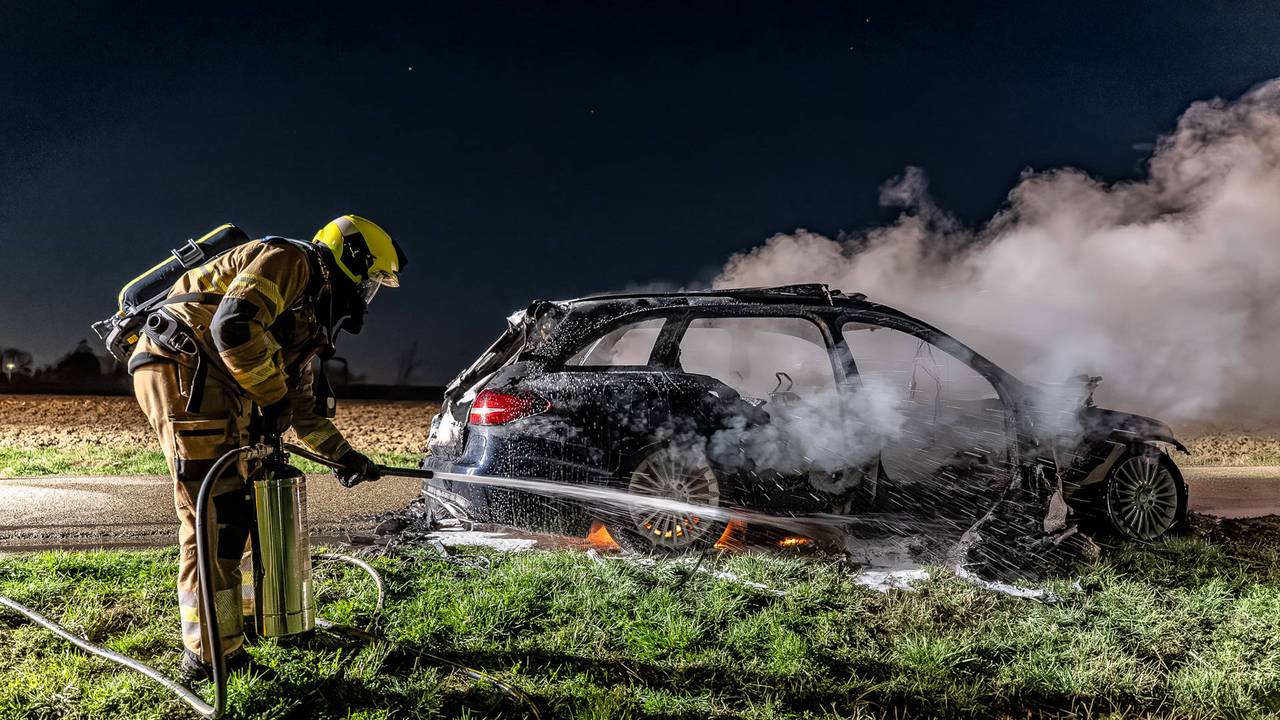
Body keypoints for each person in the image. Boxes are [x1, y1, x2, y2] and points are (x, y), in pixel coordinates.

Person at [130, 215, 406, 680]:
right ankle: (211, 656)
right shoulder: (291, 260)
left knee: (245, 506)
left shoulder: (307, 313)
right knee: (213, 517)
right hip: (186, 372)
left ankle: (251, 622)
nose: (366, 296)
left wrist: (344, 456)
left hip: (222, 381)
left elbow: (301, 408)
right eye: (371, 280)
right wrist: (271, 397)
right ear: (352, 259)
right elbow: (233, 327)